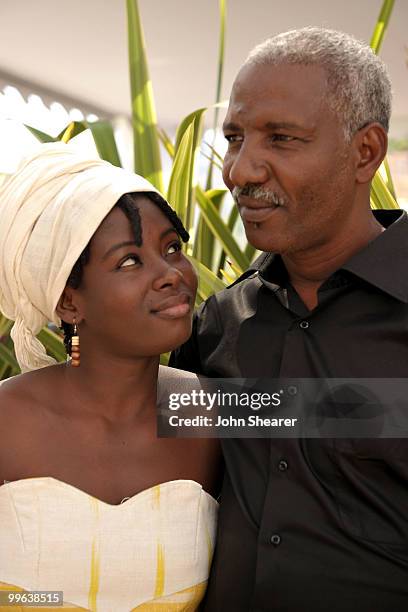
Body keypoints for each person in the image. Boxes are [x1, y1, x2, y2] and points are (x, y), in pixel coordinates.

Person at [170, 27, 408, 611]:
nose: (240, 171)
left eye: (281, 138)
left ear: (365, 152)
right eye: (234, 138)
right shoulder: (221, 320)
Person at [0, 143, 221, 611]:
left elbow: (371, 411)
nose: (172, 275)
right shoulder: (5, 420)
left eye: (172, 249)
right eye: (129, 261)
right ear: (68, 303)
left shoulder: (214, 412)